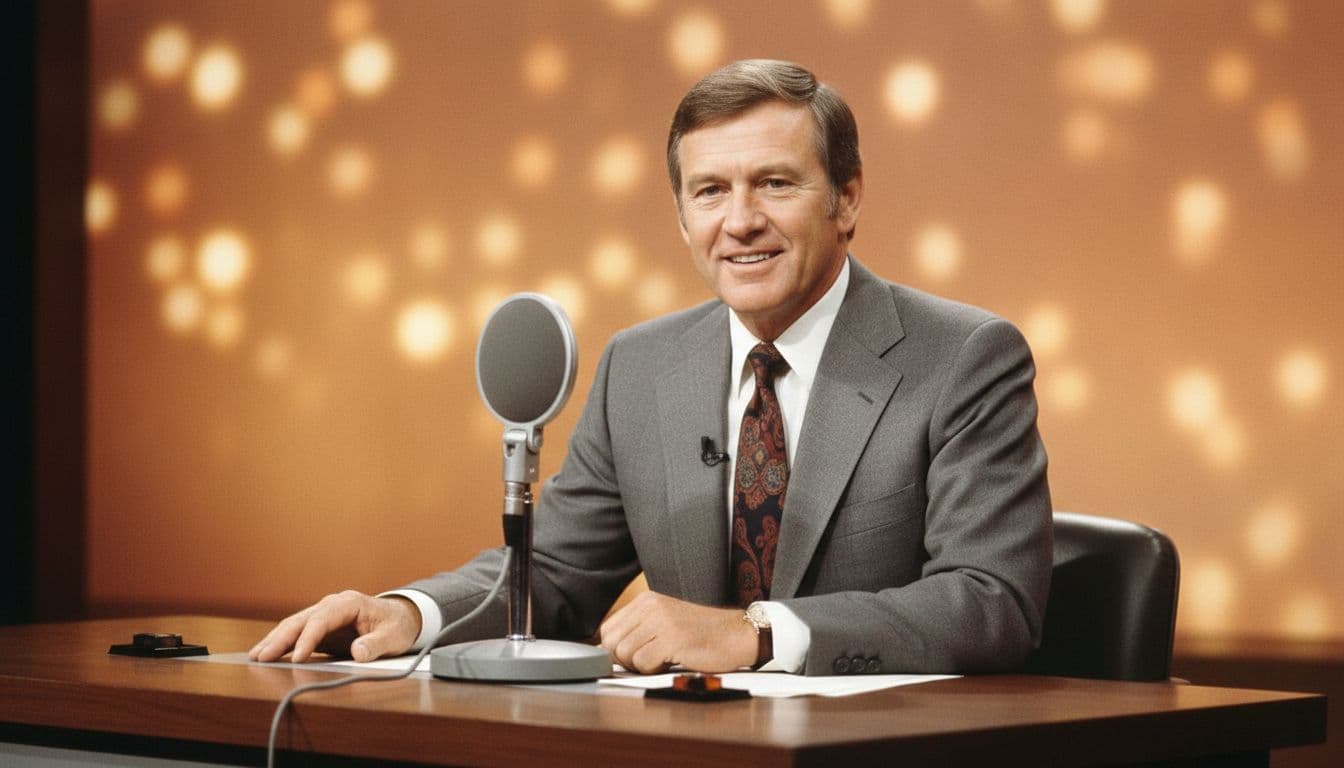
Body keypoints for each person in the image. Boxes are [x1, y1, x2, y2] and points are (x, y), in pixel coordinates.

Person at [250, 59, 1051, 676]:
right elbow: (557, 571)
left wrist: (754, 632)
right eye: (710, 192)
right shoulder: (640, 366)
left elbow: (992, 603)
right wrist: (411, 613)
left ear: (846, 199)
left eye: (775, 183)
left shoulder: (964, 358)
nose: (740, 222)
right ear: (681, 218)